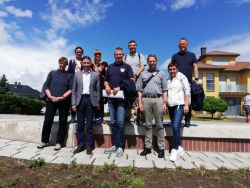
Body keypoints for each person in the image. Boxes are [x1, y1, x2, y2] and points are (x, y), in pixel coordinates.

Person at [104, 47, 134, 157]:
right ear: (114, 55)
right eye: (116, 54)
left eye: (120, 54)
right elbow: (106, 80)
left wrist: (120, 87)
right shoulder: (110, 67)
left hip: (122, 99)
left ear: (123, 55)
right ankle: (114, 145)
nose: (118, 56)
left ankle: (120, 146)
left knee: (120, 122)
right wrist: (107, 86)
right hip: (111, 98)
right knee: (113, 122)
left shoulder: (127, 67)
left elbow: (132, 80)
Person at [38, 57, 73, 150]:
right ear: (58, 63)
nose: (62, 65)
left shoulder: (69, 75)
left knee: (62, 122)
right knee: (48, 120)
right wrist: (50, 97)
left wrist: (62, 97)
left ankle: (59, 143)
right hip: (51, 101)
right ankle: (44, 141)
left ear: (66, 65)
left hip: (64, 101)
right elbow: (46, 87)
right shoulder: (52, 73)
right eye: (60, 63)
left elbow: (71, 89)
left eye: (64, 64)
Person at [137, 54, 167, 158]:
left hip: (158, 99)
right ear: (147, 62)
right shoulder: (143, 74)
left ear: (156, 61)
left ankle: (161, 148)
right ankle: (147, 147)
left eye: (153, 61)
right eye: (150, 61)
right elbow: (139, 90)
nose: (152, 63)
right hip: (146, 99)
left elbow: (164, 89)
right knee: (148, 125)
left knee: (159, 125)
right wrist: (140, 102)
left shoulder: (161, 74)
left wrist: (164, 102)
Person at [71, 56, 100, 155]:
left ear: (90, 63)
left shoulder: (95, 75)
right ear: (82, 64)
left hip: (91, 101)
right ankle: (80, 145)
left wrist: (97, 103)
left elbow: (97, 90)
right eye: (84, 63)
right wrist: (73, 103)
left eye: (88, 63)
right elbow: (74, 89)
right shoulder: (77, 74)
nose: (86, 64)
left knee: (89, 126)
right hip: (80, 100)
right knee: (80, 125)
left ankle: (89, 146)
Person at [171, 38, 198, 127]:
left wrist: (196, 79)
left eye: (184, 44)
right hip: (177, 82)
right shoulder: (175, 56)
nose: (182, 45)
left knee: (188, 102)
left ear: (187, 44)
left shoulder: (192, 55)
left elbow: (195, 67)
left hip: (188, 81)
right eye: (181, 44)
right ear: (178, 45)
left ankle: (187, 120)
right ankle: (176, 120)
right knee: (177, 100)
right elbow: (172, 68)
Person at [167, 62, 190, 162]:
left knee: (176, 126)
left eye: (173, 69)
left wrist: (186, 104)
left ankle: (174, 150)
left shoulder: (181, 77)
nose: (172, 71)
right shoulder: (168, 80)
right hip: (171, 106)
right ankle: (179, 147)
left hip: (179, 105)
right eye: (170, 69)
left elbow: (187, 90)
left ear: (177, 69)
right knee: (174, 126)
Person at [124, 40, 147, 124]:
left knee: (138, 99)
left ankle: (138, 119)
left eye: (134, 45)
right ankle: (127, 118)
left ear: (136, 46)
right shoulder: (125, 57)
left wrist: (136, 75)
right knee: (127, 100)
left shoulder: (140, 56)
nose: (132, 47)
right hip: (128, 82)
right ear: (128, 47)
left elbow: (142, 67)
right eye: (130, 45)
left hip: (138, 80)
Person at [67, 46, 84, 123]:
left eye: (80, 52)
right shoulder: (72, 61)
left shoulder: (84, 61)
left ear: (82, 53)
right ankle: (73, 117)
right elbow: (69, 72)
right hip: (74, 82)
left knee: (81, 99)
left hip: (83, 82)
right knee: (73, 99)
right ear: (75, 53)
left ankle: (81, 117)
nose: (78, 53)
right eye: (77, 52)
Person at [92, 49, 108, 125]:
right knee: (92, 101)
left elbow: (107, 73)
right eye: (96, 54)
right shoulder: (91, 64)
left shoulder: (104, 63)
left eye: (99, 54)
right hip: (92, 85)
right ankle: (92, 117)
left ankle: (101, 118)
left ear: (101, 55)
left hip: (101, 85)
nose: (97, 55)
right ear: (94, 55)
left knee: (101, 101)